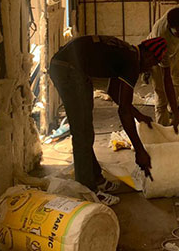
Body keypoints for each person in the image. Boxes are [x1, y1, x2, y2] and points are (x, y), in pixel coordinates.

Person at [48, 35, 168, 206]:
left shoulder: (128, 52)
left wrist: (138, 115)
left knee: (85, 130)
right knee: (82, 132)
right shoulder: (132, 63)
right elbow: (123, 111)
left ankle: (96, 178)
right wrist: (139, 150)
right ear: (148, 55)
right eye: (153, 63)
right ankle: (88, 191)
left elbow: (113, 92)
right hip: (69, 69)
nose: (150, 68)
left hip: (70, 66)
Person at [147, 6, 179, 126]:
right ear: (170, 27)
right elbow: (166, 80)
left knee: (178, 79)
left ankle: (172, 110)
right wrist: (176, 112)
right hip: (155, 56)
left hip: (173, 51)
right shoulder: (161, 40)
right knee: (161, 94)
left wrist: (174, 108)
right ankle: (163, 128)